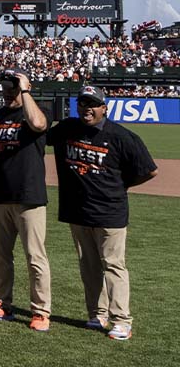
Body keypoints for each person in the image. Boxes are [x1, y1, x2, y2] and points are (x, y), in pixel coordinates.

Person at [48, 84, 158, 341]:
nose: (87, 109)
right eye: (83, 103)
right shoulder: (67, 129)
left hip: (110, 212)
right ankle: (98, 314)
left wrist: (122, 185)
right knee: (89, 266)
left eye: (93, 104)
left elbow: (149, 170)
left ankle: (122, 320)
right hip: (77, 211)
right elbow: (38, 134)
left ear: (104, 108)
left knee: (113, 266)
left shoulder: (121, 136)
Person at [0, 69, 52, 332]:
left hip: (28, 196)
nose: (7, 92)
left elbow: (39, 125)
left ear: (25, 87)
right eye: (5, 88)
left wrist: (26, 91)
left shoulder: (37, 112)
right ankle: (2, 304)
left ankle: (41, 311)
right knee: (0, 256)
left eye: (13, 88)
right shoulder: (0, 114)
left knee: (35, 257)